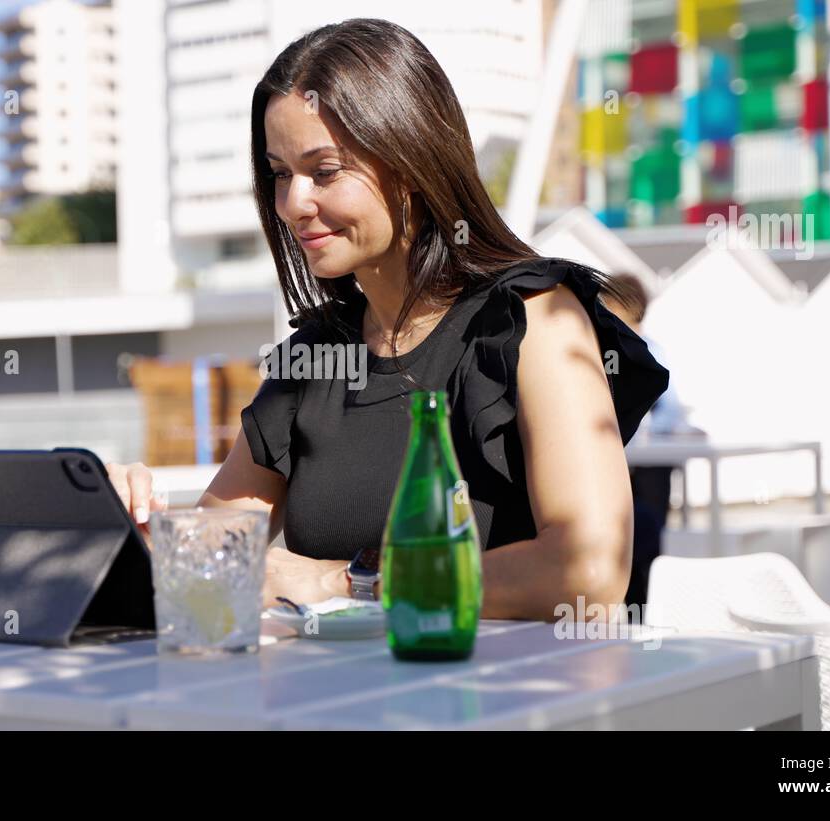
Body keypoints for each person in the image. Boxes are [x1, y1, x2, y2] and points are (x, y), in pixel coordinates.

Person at [104, 18, 669, 621]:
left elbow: (587, 572)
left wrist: (346, 584)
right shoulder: (315, 357)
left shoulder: (535, 317)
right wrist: (122, 522)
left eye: (325, 171)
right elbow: (215, 558)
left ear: (412, 160)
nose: (294, 203)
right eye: (279, 174)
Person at [600, 273, 703, 611]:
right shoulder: (601, 351)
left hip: (648, 467)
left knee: (647, 542)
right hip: (618, 463)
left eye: (610, 305)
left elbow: (669, 411)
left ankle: (643, 613)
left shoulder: (652, 352)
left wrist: (641, 427)